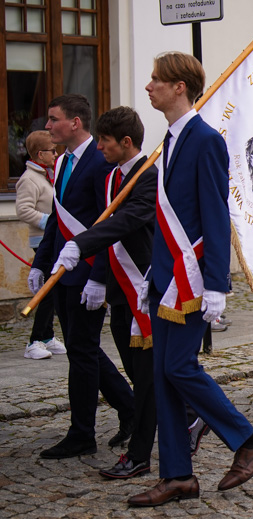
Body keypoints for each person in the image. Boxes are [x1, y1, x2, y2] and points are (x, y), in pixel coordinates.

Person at [130, 52, 253, 506]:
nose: (149, 87)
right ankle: (178, 475)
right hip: (167, 277)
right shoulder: (170, 138)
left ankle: (248, 439)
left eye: (157, 80)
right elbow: (170, 216)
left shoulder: (205, 138)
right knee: (162, 374)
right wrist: (152, 271)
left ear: (179, 87)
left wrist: (216, 284)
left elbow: (214, 210)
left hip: (191, 279)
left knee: (178, 367)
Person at [52, 106, 159, 478]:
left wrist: (82, 244)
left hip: (145, 290)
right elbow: (108, 222)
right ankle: (191, 416)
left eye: (105, 141)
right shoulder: (115, 177)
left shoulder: (148, 176)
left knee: (147, 378)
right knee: (142, 373)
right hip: (121, 293)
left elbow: (129, 220)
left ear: (126, 143)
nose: (99, 147)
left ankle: (139, 454)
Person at [30, 94, 135, 458]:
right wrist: (40, 263)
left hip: (87, 273)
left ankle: (82, 433)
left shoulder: (100, 161)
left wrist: (100, 278)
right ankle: (131, 408)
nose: (48, 126)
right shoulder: (62, 164)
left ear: (75, 123)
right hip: (62, 271)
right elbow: (57, 222)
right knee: (81, 348)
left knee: (82, 351)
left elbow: (109, 225)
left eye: (53, 119)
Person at [16, 131, 64, 360]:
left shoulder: (49, 175)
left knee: (52, 288)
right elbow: (23, 210)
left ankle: (47, 336)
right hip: (42, 240)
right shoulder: (30, 178)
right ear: (39, 154)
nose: (56, 154)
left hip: (53, 239)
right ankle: (34, 341)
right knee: (47, 289)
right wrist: (50, 222)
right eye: (52, 151)